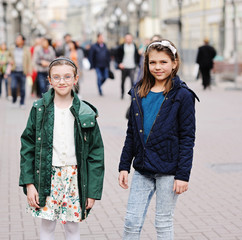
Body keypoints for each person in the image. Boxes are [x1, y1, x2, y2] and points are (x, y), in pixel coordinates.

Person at [118, 39, 199, 239]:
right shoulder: (138, 92)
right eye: (153, 62)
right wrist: (124, 165)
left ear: (174, 63)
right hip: (143, 169)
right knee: (131, 221)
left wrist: (183, 175)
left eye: (163, 62)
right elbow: (131, 133)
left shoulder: (183, 95)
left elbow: (187, 137)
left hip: (169, 170)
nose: (158, 67)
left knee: (162, 222)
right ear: (146, 65)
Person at [19, 57, 105, 240]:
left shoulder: (86, 112)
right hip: (46, 176)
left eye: (67, 76)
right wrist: (29, 183)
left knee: (73, 228)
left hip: (74, 178)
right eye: (56, 77)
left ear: (75, 78)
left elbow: (96, 154)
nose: (62, 81)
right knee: (47, 225)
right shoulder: (39, 109)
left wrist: (92, 191)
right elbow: (27, 146)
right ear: (49, 80)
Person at [8, 34, 32, 108]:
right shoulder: (12, 48)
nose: (17, 40)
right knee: (13, 86)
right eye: (17, 39)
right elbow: (8, 56)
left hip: (22, 72)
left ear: (23, 41)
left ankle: (22, 103)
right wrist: (10, 60)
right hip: (14, 71)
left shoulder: (26, 50)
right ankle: (14, 98)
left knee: (22, 88)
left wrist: (29, 71)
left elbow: (29, 61)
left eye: (19, 39)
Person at [115, 33, 140, 99]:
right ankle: (122, 93)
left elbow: (137, 56)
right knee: (123, 81)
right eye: (127, 39)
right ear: (125, 39)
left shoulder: (134, 46)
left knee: (132, 82)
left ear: (132, 39)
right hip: (124, 67)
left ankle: (131, 95)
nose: (128, 40)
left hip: (132, 66)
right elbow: (117, 55)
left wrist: (137, 64)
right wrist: (119, 63)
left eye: (129, 38)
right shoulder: (122, 46)